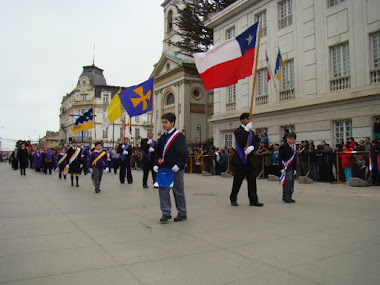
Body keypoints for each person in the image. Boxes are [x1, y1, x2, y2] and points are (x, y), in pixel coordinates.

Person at [153, 113, 188, 223]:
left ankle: (182, 212)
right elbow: (158, 154)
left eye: (166, 122)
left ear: (172, 123)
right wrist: (156, 164)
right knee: (163, 191)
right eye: (162, 122)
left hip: (176, 169)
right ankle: (166, 213)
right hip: (164, 169)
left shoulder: (179, 136)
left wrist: (179, 165)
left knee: (178, 191)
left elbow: (183, 153)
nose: (163, 124)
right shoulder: (162, 138)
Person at [229, 113, 263, 207]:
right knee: (238, 181)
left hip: (250, 160)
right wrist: (246, 130)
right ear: (242, 120)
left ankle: (253, 200)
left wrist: (252, 148)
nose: (249, 120)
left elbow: (256, 143)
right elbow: (241, 141)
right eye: (247, 119)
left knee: (252, 180)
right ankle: (233, 198)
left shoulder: (251, 132)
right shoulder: (238, 131)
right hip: (240, 160)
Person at [279, 132, 297, 203]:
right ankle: (285, 196)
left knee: (291, 182)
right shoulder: (283, 147)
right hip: (285, 166)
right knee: (287, 182)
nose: (290, 140)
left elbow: (295, 158)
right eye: (289, 138)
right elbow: (280, 157)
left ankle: (290, 196)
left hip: (291, 166)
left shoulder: (294, 147)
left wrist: (295, 168)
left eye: (292, 139)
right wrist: (281, 168)